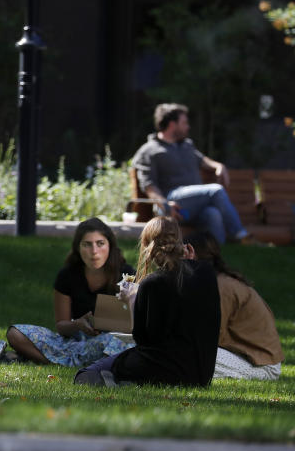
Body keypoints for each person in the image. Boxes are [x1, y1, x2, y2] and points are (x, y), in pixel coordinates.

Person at [75, 216, 220, 387]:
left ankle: (122, 381)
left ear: (147, 247)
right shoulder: (207, 272)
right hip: (201, 374)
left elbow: (143, 340)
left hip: (164, 369)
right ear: (180, 241)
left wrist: (132, 303)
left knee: (85, 375)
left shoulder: (152, 283)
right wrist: (190, 262)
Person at [6, 218, 135, 367]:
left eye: (100, 244)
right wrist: (78, 324)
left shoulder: (126, 274)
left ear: (110, 246)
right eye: (87, 244)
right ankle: (55, 362)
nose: (94, 251)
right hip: (76, 343)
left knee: (121, 343)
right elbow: (61, 326)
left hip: (113, 342)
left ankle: (72, 362)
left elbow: (136, 322)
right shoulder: (67, 275)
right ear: (78, 248)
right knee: (15, 333)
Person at [132, 103, 249, 244]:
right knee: (216, 190)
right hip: (173, 201)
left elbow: (202, 160)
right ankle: (241, 235)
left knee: (213, 214)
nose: (188, 126)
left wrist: (218, 166)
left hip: (195, 203)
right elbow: (148, 184)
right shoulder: (149, 150)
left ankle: (216, 255)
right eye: (184, 123)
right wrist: (165, 204)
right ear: (172, 124)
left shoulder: (186, 145)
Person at [184, 231, 284, 380]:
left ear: (191, 253)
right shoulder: (217, 281)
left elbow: (209, 338)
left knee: (185, 355)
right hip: (246, 358)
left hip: (262, 366)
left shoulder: (221, 286)